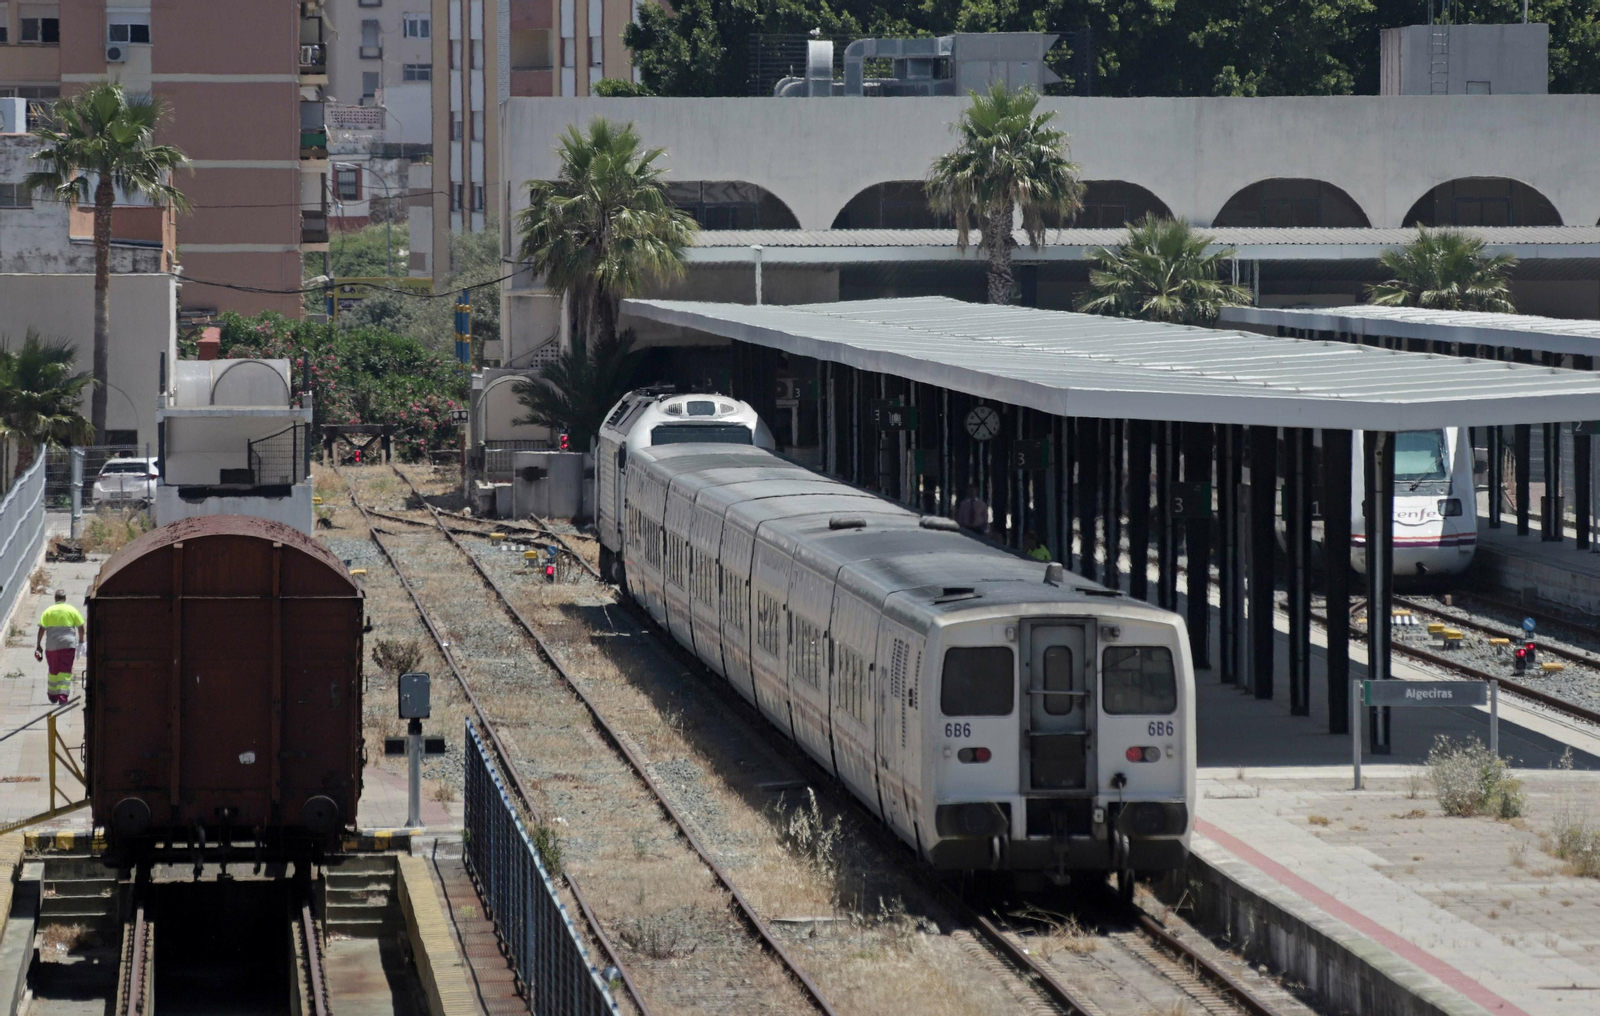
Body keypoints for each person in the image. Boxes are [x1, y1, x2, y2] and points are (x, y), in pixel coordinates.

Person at [35, 590, 85, 705]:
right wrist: (81, 641)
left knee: (53, 670)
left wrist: (38, 645)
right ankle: (63, 697)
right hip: (68, 645)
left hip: (52, 646)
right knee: (65, 670)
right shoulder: (72, 610)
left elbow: (41, 629)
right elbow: (81, 627)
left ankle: (52, 695)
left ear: (55, 599)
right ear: (65, 598)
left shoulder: (48, 611)